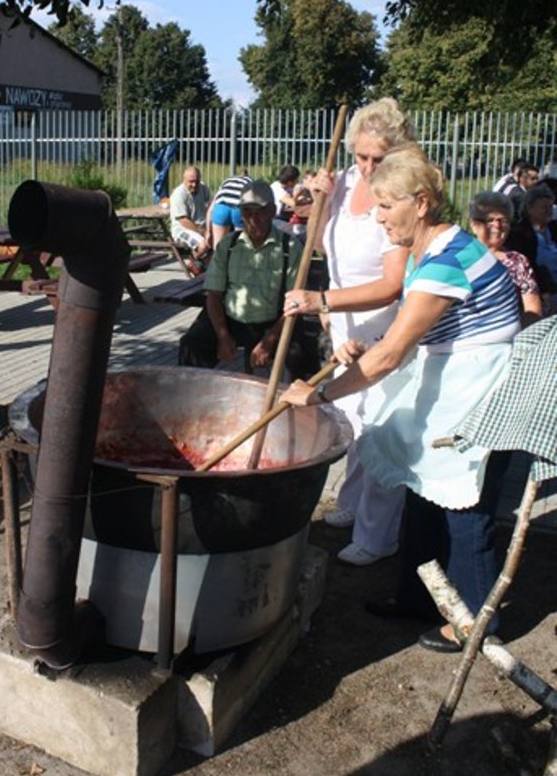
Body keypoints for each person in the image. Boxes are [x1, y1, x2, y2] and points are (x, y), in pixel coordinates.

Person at [281, 149, 521, 652]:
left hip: (480, 395)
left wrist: (320, 393)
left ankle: (475, 622)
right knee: (422, 493)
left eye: (387, 205)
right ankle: (421, 598)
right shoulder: (433, 250)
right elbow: (411, 337)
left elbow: (392, 355)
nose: (378, 216)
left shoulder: (446, 262)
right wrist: (364, 349)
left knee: (465, 508)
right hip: (455, 383)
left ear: (422, 203)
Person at [283, 98, 417, 566]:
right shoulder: (342, 182)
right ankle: (352, 504)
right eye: (361, 156)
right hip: (344, 324)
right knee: (352, 420)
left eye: (379, 158)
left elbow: (392, 284)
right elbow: (323, 245)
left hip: (384, 328)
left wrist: (322, 300)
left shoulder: (399, 197)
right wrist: (319, 204)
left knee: (379, 429)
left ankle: (379, 537)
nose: (368, 167)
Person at [178, 180, 315, 378]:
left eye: (260, 211)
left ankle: (296, 396)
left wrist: (269, 341)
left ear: (272, 211)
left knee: (303, 356)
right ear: (240, 214)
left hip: (273, 320)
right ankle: (189, 393)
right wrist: (223, 336)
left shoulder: (290, 247)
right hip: (231, 318)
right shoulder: (228, 245)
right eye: (247, 211)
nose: (253, 218)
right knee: (191, 345)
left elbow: (295, 305)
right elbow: (214, 295)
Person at [468, 191, 542, 326]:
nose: (497, 225)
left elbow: (532, 307)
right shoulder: (461, 258)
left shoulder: (518, 261)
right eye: (490, 220)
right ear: (474, 225)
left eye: (503, 220)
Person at [508, 182, 557, 314]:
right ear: (529, 208)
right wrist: (545, 290)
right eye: (544, 207)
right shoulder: (521, 234)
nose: (549, 211)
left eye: (551, 206)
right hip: (542, 292)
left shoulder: (553, 228)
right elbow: (528, 267)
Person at [169, 165, 211, 271]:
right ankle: (193, 262)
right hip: (182, 229)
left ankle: (204, 265)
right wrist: (203, 232)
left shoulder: (203, 188)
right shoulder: (179, 194)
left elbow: (209, 207)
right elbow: (183, 220)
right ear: (184, 180)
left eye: (197, 181)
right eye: (191, 182)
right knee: (204, 245)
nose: (194, 184)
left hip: (201, 226)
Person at [206, 173, 252, 248]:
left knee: (218, 247)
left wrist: (208, 232)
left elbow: (211, 209)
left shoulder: (226, 181)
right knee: (241, 245)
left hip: (221, 207)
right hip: (238, 207)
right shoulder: (250, 181)